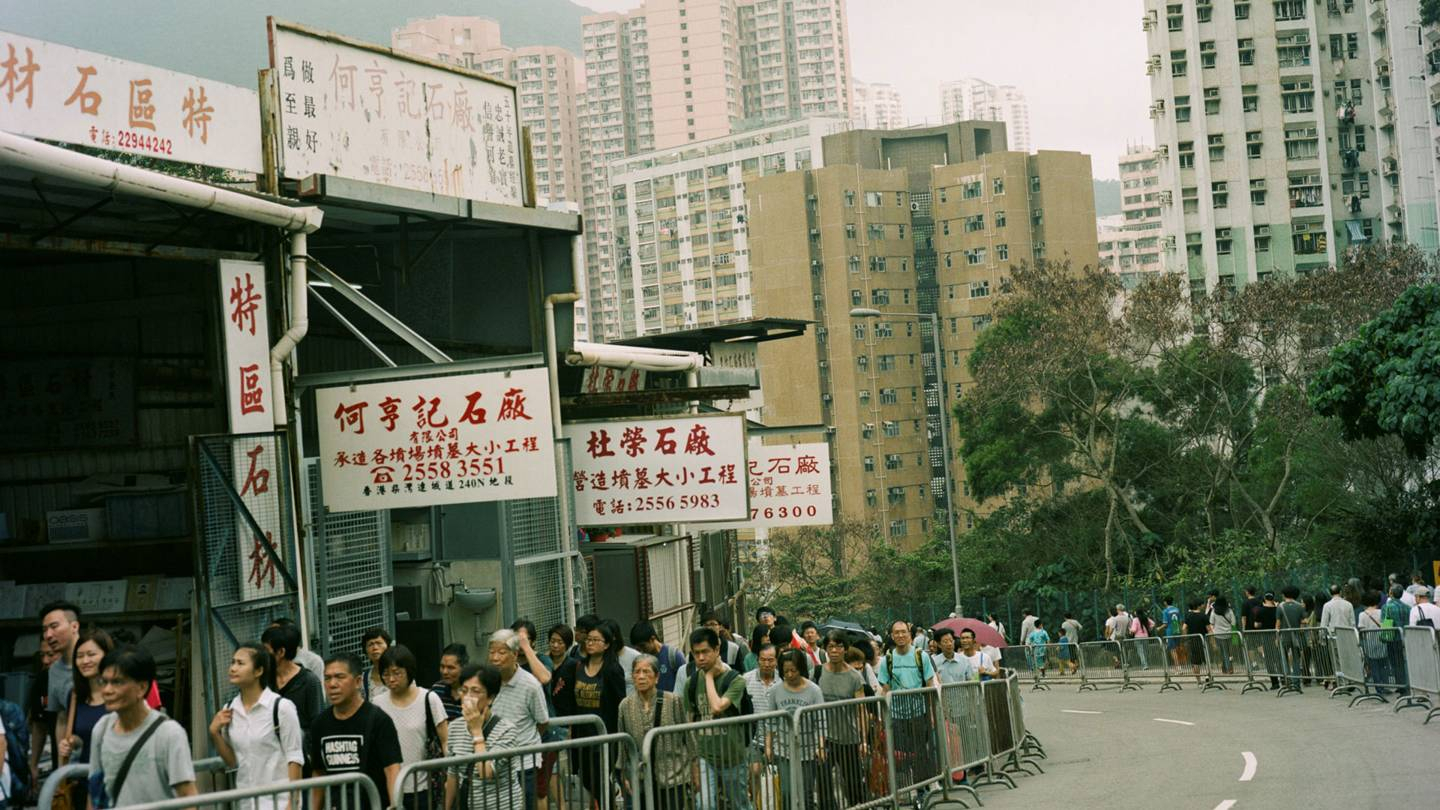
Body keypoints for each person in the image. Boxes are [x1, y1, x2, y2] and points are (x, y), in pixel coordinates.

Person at [88, 645, 197, 806]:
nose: (107, 690)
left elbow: (188, 798)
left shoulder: (169, 733)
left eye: (117, 682)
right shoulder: (102, 729)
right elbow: (94, 793)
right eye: (104, 682)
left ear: (142, 687)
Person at [208, 643, 304, 809]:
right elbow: (233, 762)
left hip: (279, 803)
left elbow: (294, 757)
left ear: (259, 671)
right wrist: (214, 732)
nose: (233, 668)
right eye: (232, 662)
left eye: (240, 663)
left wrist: (292, 803)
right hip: (246, 803)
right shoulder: (229, 709)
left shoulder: (281, 707)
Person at [309, 652, 403, 810]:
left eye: (340, 677)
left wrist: (395, 805)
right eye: (327, 678)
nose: (332, 684)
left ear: (358, 681)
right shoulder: (320, 723)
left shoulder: (378, 720)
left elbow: (392, 768)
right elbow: (318, 773)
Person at [551, 621, 625, 808]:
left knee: (600, 780)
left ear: (607, 644)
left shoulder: (612, 670)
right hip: (581, 734)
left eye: (595, 640)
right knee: (585, 778)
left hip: (604, 735)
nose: (590, 643)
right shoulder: (576, 667)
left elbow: (620, 702)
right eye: (588, 639)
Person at [683, 627, 752, 810]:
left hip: (733, 755)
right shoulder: (691, 684)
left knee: (740, 804)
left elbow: (717, 706)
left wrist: (709, 677)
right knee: (704, 804)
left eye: (705, 652)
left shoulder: (735, 679)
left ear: (716, 649)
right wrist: (693, 762)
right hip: (706, 755)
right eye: (696, 653)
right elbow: (689, 723)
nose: (701, 658)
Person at [372, 645, 448, 809]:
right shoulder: (377, 703)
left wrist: (449, 777)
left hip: (422, 787)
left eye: (397, 673)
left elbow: (445, 741)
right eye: (386, 673)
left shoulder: (429, 699)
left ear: (409, 672)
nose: (391, 679)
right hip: (387, 786)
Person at [443, 663, 525, 810]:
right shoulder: (455, 727)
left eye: (475, 691)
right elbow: (453, 774)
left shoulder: (506, 730)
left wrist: (476, 731)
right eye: (464, 690)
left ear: (490, 698)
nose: (467, 697)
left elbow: (486, 772)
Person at [616, 655, 692, 810]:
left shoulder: (673, 701)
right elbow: (623, 743)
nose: (641, 676)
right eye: (637, 672)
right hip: (642, 777)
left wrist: (695, 771)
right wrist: (624, 774)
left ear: (657, 677)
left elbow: (688, 736)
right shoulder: (625, 706)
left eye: (646, 672)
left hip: (674, 775)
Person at [877, 620, 938, 805]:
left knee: (920, 753)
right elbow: (885, 688)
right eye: (897, 633)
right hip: (896, 716)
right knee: (901, 756)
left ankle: (922, 790)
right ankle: (903, 792)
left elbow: (929, 685)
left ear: (910, 635)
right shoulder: (887, 660)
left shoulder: (921, 656)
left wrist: (932, 714)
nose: (900, 636)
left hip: (919, 713)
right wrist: (883, 716)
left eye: (904, 632)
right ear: (892, 636)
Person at [486, 630, 549, 810]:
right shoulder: (487, 681)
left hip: (524, 763)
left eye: (501, 652)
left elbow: (542, 722)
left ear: (515, 654)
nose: (495, 657)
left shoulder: (530, 685)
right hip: (493, 761)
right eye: (492, 652)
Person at [766, 650, 824, 810]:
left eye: (794, 670)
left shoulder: (814, 690)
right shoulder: (775, 691)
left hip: (807, 750)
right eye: (786, 671)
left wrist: (820, 746)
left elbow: (821, 720)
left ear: (801, 669)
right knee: (786, 792)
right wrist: (768, 745)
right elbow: (771, 720)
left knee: (806, 793)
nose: (790, 674)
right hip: (784, 750)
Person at [262, 622, 326, 761]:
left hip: (300, 756)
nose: (261, 655)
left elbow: (317, 724)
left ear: (281, 652)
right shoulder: (263, 680)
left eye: (265, 650)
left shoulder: (309, 681)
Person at [817, 632, 866, 810]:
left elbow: (861, 710)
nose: (835, 650)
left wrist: (864, 740)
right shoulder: (817, 672)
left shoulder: (854, 677)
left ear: (845, 649)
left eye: (838, 646)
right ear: (826, 650)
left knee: (853, 784)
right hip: (824, 738)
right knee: (823, 784)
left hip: (849, 738)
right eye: (830, 647)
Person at [58, 628, 113, 766]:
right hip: (83, 779)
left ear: (107, 656)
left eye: (91, 654)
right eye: (80, 656)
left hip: (114, 779)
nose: (85, 661)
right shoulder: (75, 695)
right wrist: (70, 743)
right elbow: (83, 737)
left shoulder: (119, 694)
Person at [40, 601, 80, 754]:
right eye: (45, 630)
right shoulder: (54, 670)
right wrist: (61, 765)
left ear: (74, 626)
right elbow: (62, 718)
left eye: (54, 626)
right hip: (71, 753)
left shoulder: (94, 661)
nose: (48, 635)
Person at [630, 622, 685, 694]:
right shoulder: (642, 661)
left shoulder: (673, 655)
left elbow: (684, 681)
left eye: (643, 646)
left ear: (652, 639)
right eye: (638, 649)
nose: (641, 650)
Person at [1357, 591, 1393, 694]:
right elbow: (1387, 626)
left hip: (1370, 643)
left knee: (1374, 666)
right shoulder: (1382, 612)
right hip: (1382, 641)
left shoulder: (1362, 615)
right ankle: (1385, 685)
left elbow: (1361, 630)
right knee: (1384, 664)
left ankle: (1379, 687)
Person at [432, 644, 470, 721]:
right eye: (442, 667)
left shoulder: (473, 692)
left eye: (450, 668)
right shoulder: (437, 690)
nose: (445, 672)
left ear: (464, 667)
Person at [360, 627, 392, 702]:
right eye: (370, 644)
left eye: (379, 643)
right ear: (365, 652)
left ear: (388, 646)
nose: (375, 647)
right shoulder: (363, 679)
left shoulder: (400, 673)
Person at [1182, 601, 1210, 684]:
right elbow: (1209, 629)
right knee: (1206, 659)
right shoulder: (1203, 616)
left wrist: (1185, 638)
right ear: (1198, 606)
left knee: (1195, 662)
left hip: (1193, 640)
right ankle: (1207, 676)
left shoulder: (1188, 616)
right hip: (1203, 640)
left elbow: (1184, 628)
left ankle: (1199, 681)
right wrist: (1212, 640)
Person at [1207, 597, 1238, 674]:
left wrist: (1214, 631)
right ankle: (1229, 668)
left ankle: (1226, 668)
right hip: (1229, 634)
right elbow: (1233, 622)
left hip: (1218, 635)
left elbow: (1211, 622)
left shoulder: (1214, 611)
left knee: (1223, 652)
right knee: (1229, 652)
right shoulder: (1229, 611)